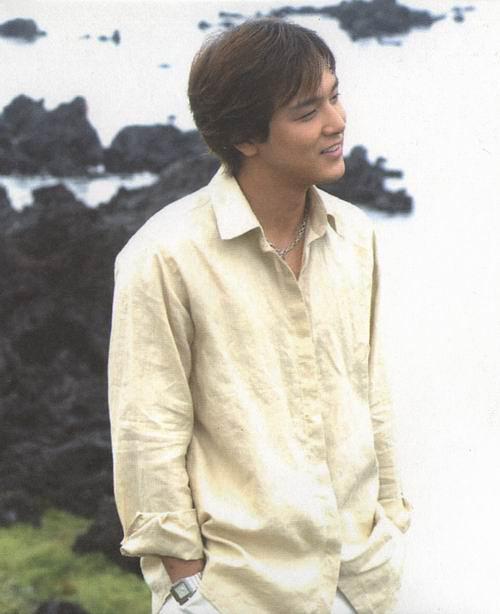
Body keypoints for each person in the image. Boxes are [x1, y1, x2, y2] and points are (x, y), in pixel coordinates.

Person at [108, 17, 411, 614]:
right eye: (307, 112)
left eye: (335, 96)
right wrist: (188, 589)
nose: (336, 122)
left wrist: (391, 526)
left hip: (359, 582)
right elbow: (148, 432)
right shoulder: (164, 255)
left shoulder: (354, 235)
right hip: (235, 592)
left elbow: (371, 395)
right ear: (246, 137)